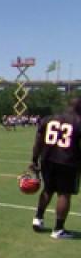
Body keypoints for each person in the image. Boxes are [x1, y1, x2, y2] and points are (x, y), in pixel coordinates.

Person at [30, 98, 81, 239]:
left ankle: (38, 219)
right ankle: (58, 229)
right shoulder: (78, 121)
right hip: (68, 161)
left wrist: (34, 159)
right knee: (64, 194)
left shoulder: (49, 119)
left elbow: (38, 140)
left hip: (47, 159)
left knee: (48, 189)